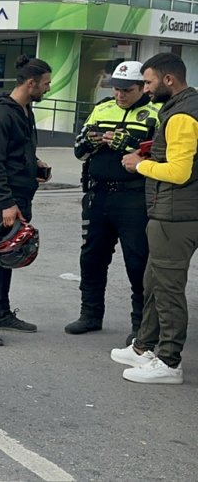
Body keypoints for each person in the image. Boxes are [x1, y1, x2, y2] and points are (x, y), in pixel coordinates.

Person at [113, 52, 198, 384]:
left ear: (168, 80)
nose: (144, 88)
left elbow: (179, 172)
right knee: (154, 281)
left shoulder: (181, 115)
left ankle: (169, 361)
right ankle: (143, 347)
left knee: (167, 288)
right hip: (176, 210)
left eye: (147, 82)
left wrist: (140, 164)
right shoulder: (186, 107)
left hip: (175, 213)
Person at [65, 61, 160, 343]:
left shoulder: (156, 112)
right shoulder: (102, 108)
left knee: (138, 262)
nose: (119, 95)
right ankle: (90, 314)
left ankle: (140, 326)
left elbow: (163, 157)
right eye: (116, 89)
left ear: (142, 87)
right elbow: (79, 152)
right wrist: (91, 142)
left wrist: (127, 145)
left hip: (135, 196)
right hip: (98, 194)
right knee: (92, 258)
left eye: (126, 90)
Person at [0, 55, 53, 346]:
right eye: (45, 84)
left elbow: (18, 152)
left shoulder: (25, 109)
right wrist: (7, 202)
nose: (48, 89)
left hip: (22, 194)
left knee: (11, 255)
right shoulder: (0, 114)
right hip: (4, 198)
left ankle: (2, 312)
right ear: (30, 83)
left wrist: (35, 166)